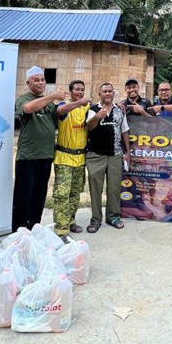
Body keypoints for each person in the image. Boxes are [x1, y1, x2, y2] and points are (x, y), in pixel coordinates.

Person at [13, 66, 67, 232]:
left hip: (46, 155)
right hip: (28, 156)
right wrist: (53, 96)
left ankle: (34, 227)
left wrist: (76, 102)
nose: (41, 82)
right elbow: (28, 109)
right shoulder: (23, 99)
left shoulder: (49, 103)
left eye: (43, 79)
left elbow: (59, 116)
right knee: (24, 196)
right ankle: (19, 231)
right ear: (28, 83)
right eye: (36, 80)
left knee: (39, 195)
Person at [86, 83, 131, 232]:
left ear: (113, 94)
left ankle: (113, 217)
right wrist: (97, 117)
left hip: (115, 155)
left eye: (110, 91)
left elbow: (124, 131)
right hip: (96, 155)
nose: (107, 93)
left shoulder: (120, 110)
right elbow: (89, 127)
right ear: (99, 94)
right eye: (104, 91)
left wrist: (127, 152)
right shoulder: (93, 109)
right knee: (95, 189)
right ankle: (95, 220)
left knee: (114, 188)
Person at [53, 80, 92, 242]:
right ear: (71, 91)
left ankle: (70, 221)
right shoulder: (65, 106)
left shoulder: (87, 108)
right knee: (62, 194)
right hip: (64, 157)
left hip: (80, 159)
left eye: (82, 90)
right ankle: (61, 229)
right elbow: (60, 110)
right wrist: (78, 103)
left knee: (75, 194)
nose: (80, 92)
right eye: (77, 89)